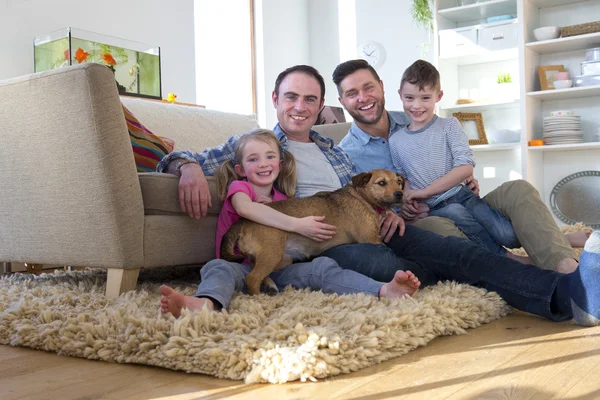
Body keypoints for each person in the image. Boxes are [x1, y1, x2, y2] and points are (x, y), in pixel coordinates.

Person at [157, 64, 600, 327]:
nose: (300, 106)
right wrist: (188, 166)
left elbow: (375, 194)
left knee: (455, 255)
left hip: (381, 228)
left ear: (321, 105)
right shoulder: (259, 146)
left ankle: (569, 293)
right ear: (275, 99)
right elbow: (179, 156)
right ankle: (477, 272)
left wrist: (396, 213)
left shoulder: (338, 150)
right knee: (422, 260)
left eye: (310, 99)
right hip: (328, 246)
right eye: (291, 96)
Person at [333, 59, 586, 274]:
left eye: (368, 88)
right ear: (342, 100)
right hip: (424, 220)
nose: (363, 98)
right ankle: (521, 262)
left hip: (461, 196)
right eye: (352, 93)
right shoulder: (345, 154)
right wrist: (398, 210)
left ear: (383, 87)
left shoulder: (414, 116)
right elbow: (354, 206)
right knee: (440, 226)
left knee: (518, 190)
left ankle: (565, 266)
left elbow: (457, 160)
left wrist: (466, 176)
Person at [159, 128, 420, 316]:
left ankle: (383, 290)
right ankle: (204, 303)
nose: (263, 164)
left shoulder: (284, 197)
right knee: (218, 268)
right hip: (240, 263)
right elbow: (245, 210)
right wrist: (188, 166)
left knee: (325, 270)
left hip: (285, 268)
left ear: (281, 164)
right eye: (253, 159)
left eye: (270, 157)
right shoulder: (240, 188)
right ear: (239, 168)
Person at [384, 59, 528, 263]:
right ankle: (507, 259)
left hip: (462, 195)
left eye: (425, 98)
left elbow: (465, 166)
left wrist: (423, 192)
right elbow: (404, 178)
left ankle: (550, 240)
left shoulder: (449, 125)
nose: (416, 105)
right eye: (409, 98)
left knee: (508, 235)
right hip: (436, 208)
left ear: (438, 96)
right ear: (400, 95)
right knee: (456, 214)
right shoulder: (396, 140)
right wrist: (408, 199)